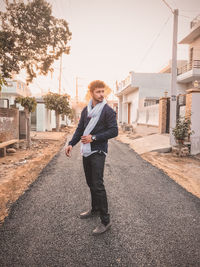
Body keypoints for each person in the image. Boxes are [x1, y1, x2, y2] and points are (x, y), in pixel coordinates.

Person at [65, 80, 118, 235]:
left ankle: (105, 221)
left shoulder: (108, 111)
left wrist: (93, 138)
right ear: (92, 93)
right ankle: (95, 209)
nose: (102, 95)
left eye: (103, 92)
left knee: (98, 184)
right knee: (90, 182)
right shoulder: (86, 110)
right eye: (98, 92)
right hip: (86, 151)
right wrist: (71, 143)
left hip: (98, 151)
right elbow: (80, 128)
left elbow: (114, 131)